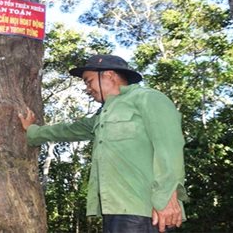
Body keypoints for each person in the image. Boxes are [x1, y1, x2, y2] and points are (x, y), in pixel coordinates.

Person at [18, 54, 187, 233]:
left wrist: (167, 199)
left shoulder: (148, 98)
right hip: (115, 211)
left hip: (146, 211)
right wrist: (33, 132)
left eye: (88, 81)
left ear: (108, 75)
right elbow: (69, 130)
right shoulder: (103, 115)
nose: (87, 88)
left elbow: (170, 148)